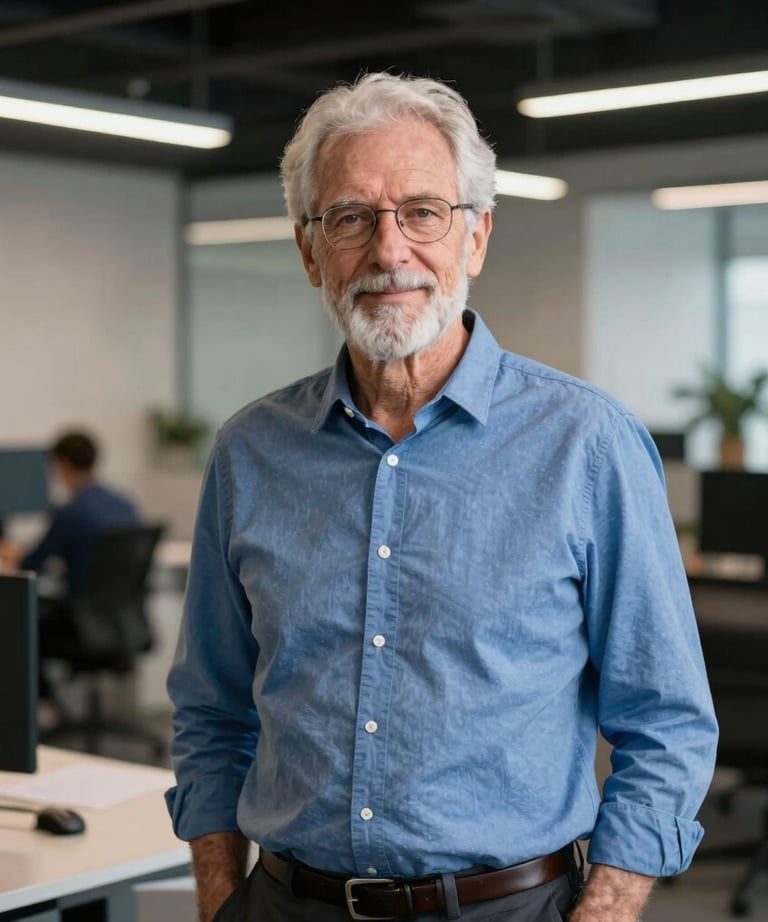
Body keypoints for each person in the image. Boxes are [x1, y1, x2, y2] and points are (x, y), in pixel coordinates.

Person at [165, 72, 718, 922]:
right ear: (311, 249)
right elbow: (211, 707)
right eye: (350, 217)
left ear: (476, 238)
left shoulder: (587, 445)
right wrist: (216, 898)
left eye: (423, 211)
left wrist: (605, 910)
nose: (389, 252)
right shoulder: (249, 453)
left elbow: (668, 723)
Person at [0, 429, 139, 705]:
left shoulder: (73, 513)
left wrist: (9, 551)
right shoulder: (125, 504)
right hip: (123, 622)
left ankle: (42, 704)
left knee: (17, 619)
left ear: (61, 465)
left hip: (82, 625)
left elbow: (30, 565)